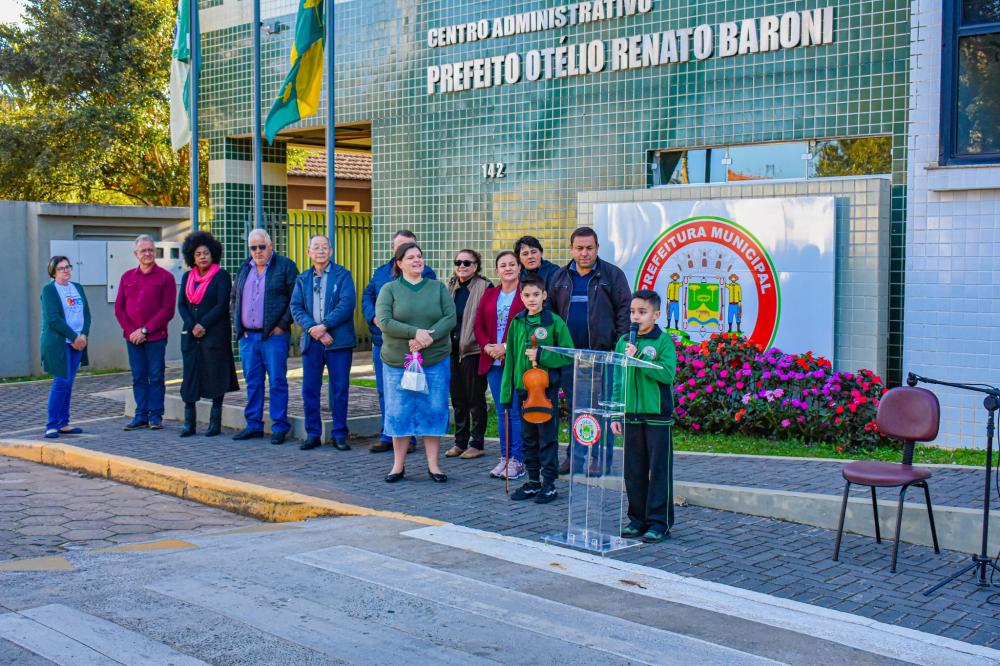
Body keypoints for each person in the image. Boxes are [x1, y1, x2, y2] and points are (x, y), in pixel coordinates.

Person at [549, 226, 632, 475]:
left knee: (600, 409)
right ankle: (574, 458)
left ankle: (599, 458)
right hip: (569, 359)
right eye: (579, 248)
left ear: (597, 248)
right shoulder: (560, 277)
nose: (584, 253)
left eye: (589, 248)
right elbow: (551, 315)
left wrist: (618, 347)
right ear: (571, 249)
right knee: (576, 409)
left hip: (601, 357)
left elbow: (624, 312)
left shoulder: (612, 275)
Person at [375, 242, 456, 484]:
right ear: (399, 263)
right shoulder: (389, 289)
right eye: (410, 257)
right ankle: (398, 466)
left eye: (419, 256)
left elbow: (450, 317)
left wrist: (427, 337)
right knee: (399, 412)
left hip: (434, 361)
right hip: (397, 364)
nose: (416, 260)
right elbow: (385, 321)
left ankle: (434, 465)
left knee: (433, 410)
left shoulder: (437, 288)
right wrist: (415, 332)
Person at [610, 290, 677, 543]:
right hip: (630, 415)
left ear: (656, 314)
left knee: (658, 470)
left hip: (657, 416)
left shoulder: (663, 341)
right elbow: (618, 378)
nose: (635, 317)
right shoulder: (624, 342)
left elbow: (667, 374)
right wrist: (617, 410)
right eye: (632, 312)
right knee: (634, 471)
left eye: (642, 312)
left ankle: (659, 522)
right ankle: (637, 519)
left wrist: (637, 357)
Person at [500, 275, 574, 504]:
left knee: (547, 439)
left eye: (535, 294)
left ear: (544, 295)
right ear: (521, 297)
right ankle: (533, 482)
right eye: (526, 295)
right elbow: (510, 358)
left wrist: (542, 355)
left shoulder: (554, 322)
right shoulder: (517, 322)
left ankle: (549, 484)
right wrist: (505, 393)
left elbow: (567, 354)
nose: (531, 299)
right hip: (524, 392)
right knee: (528, 438)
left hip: (545, 392)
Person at [362, 229, 436, 453]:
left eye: (410, 247)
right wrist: (374, 317)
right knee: (386, 390)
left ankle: (409, 437)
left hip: (411, 345)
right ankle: (389, 433)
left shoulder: (427, 274)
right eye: (401, 247)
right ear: (393, 250)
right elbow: (368, 296)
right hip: (382, 342)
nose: (407, 252)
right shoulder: (380, 272)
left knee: (411, 390)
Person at [231, 229, 298, 445]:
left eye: (261, 246)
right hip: (249, 337)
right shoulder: (244, 268)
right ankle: (253, 425)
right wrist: (239, 328)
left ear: (270, 246)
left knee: (277, 381)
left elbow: (295, 298)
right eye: (253, 247)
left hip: (274, 336)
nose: (257, 251)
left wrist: (282, 324)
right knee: (253, 382)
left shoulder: (285, 266)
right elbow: (234, 298)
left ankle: (279, 426)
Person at [290, 235, 356, 451]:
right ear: (309, 252)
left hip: (338, 342)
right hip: (312, 342)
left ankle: (339, 434)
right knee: (310, 389)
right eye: (316, 248)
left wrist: (325, 326)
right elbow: (296, 307)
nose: (320, 251)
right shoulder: (302, 278)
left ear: (331, 251)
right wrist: (315, 330)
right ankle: (313, 433)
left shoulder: (343, 275)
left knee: (339, 389)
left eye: (324, 247)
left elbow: (347, 305)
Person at [177, 231, 239, 438]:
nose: (202, 256)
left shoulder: (221, 276)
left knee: (215, 377)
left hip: (214, 336)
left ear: (213, 254)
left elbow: (222, 305)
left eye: (206, 253)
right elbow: (182, 306)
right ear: (191, 257)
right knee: (190, 378)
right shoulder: (187, 277)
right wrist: (192, 324)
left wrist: (203, 324)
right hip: (191, 337)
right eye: (198, 254)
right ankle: (189, 424)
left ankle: (214, 424)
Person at [115, 235, 176, 431]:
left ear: (155, 252)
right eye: (143, 250)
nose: (147, 253)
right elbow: (119, 309)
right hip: (133, 339)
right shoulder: (127, 277)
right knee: (138, 376)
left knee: (156, 376)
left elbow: (167, 310)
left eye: (150, 250)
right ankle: (141, 414)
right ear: (136, 254)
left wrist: (145, 330)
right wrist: (132, 331)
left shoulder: (166, 278)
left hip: (156, 337)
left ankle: (156, 415)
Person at [474, 250, 526, 480]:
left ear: (519, 268)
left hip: (514, 362)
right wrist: (487, 346)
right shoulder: (490, 294)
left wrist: (505, 347)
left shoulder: (525, 293)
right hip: (492, 362)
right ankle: (504, 459)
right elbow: (478, 324)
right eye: (503, 265)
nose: (508, 268)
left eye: (512, 264)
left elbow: (528, 327)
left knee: (515, 411)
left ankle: (518, 460)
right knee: (502, 410)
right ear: (497, 270)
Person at [445, 249, 492, 460]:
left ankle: (477, 442)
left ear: (476, 266)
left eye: (467, 262)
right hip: (453, 351)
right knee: (458, 399)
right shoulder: (451, 286)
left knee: (475, 398)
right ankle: (460, 442)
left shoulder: (485, 287)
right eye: (458, 262)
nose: (462, 266)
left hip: (473, 350)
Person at [40, 256, 91, 438]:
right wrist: (74, 337)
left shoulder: (77, 288)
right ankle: (52, 424)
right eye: (61, 268)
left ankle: (64, 423)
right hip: (59, 344)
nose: (66, 270)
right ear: (53, 272)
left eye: (68, 267)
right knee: (61, 382)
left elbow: (86, 313)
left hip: (77, 343)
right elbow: (53, 319)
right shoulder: (49, 290)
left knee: (68, 383)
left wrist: (83, 335)